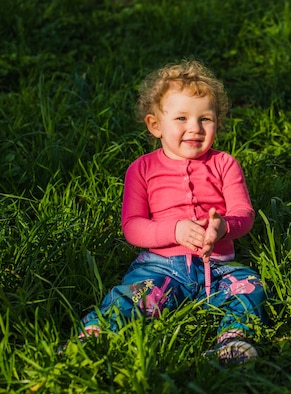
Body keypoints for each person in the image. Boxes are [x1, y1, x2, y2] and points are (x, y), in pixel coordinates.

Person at [76, 60, 267, 364]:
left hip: (215, 267)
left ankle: (233, 341)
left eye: (205, 118)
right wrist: (174, 230)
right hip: (161, 266)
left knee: (250, 286)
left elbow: (244, 212)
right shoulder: (142, 169)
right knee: (130, 296)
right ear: (155, 125)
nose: (195, 128)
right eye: (181, 118)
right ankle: (93, 337)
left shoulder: (225, 164)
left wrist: (224, 228)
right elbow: (133, 226)